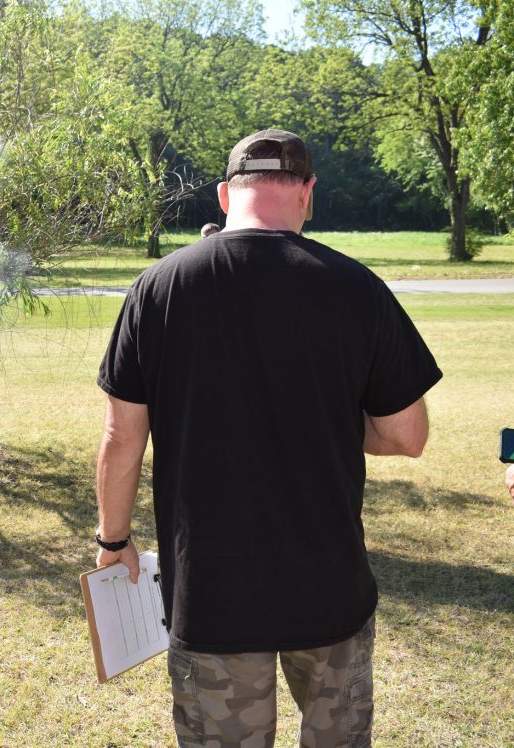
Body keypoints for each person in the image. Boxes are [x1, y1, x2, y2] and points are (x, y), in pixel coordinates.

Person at [94, 129, 442, 747]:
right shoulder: (357, 287)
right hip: (330, 590)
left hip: (212, 594)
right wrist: (327, 417)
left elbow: (123, 437)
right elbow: (406, 434)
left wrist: (113, 539)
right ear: (308, 193)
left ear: (226, 195)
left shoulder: (158, 288)